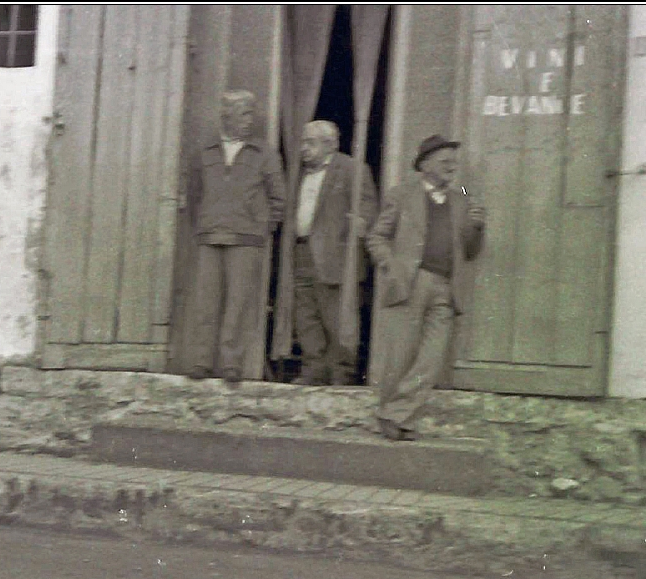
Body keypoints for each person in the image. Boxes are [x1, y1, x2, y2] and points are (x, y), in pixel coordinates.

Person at [366, 134, 486, 441]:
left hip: (445, 287)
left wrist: (476, 228)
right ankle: (394, 418)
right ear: (425, 165)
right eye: (444, 160)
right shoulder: (402, 195)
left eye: (453, 161)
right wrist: (392, 268)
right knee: (401, 356)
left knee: (431, 359)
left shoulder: (461, 200)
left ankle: (395, 414)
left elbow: (470, 251)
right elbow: (377, 237)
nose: (451, 166)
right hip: (412, 282)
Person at [185, 90, 286, 384]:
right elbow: (194, 195)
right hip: (210, 237)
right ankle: (201, 362)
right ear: (226, 116)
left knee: (237, 305)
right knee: (205, 303)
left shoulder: (264, 153)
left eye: (251, 114)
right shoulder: (205, 152)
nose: (249, 121)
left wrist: (261, 228)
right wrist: (202, 224)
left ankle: (231, 365)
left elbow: (278, 198)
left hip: (246, 240)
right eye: (244, 114)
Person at [291, 120, 378, 386]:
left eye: (310, 143)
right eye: (303, 142)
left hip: (336, 257)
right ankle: (313, 370)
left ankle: (342, 372)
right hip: (302, 251)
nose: (304, 149)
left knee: (338, 318)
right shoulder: (299, 173)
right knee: (307, 316)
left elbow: (367, 211)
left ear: (330, 144)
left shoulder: (352, 169)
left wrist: (356, 229)